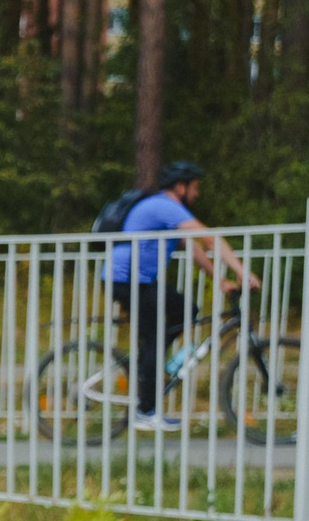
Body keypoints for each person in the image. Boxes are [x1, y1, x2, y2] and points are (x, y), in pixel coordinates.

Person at [107, 161, 257, 432]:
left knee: (186, 309)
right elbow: (210, 240)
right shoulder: (165, 206)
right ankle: (145, 409)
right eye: (195, 187)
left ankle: (149, 362)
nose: (197, 194)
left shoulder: (168, 211)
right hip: (127, 279)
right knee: (154, 338)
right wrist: (242, 271)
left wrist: (220, 280)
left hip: (137, 280)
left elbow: (194, 248)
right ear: (180, 187)